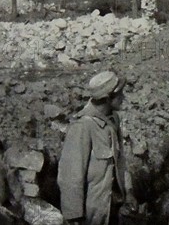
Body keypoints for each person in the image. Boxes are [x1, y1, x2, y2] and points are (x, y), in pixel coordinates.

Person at [58, 71, 136, 225]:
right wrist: (74, 217)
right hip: (92, 215)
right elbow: (71, 176)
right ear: (107, 98)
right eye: (120, 94)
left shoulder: (113, 120)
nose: (123, 98)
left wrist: (129, 192)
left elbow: (120, 162)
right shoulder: (83, 126)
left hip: (112, 209)